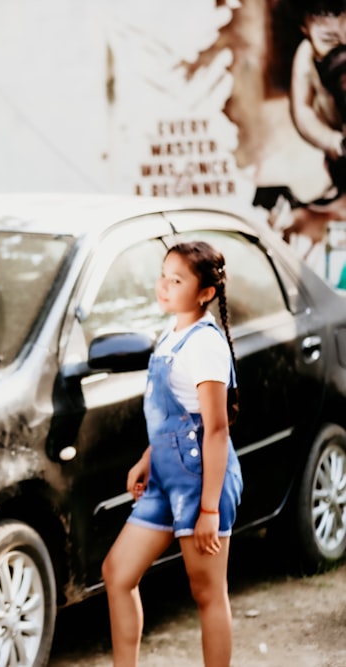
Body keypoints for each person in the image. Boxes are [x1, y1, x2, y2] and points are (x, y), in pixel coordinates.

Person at [101, 241, 243, 667]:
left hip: (203, 482)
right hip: (164, 478)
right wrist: (147, 459)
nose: (163, 285)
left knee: (206, 593)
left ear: (205, 293)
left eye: (177, 280)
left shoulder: (204, 344)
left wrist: (209, 510)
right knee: (117, 573)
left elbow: (216, 430)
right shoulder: (172, 335)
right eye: (163, 274)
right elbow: (175, 416)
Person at [272, 0, 346, 254]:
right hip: (337, 142)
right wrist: (331, 140)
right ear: (306, 30)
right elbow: (302, 112)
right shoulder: (306, 56)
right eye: (329, 40)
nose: (341, 50)